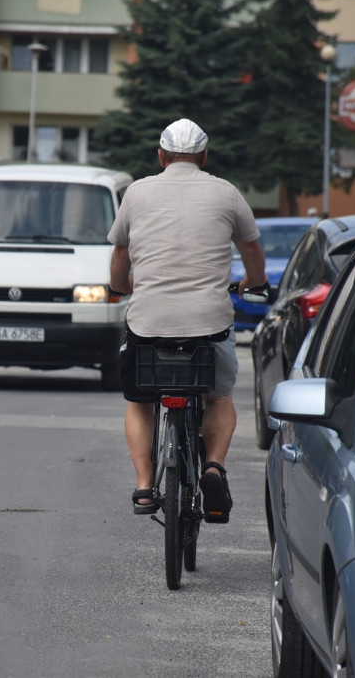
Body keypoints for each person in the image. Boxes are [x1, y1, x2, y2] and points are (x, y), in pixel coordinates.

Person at [107, 118, 267, 522]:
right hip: (209, 324)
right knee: (218, 395)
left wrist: (119, 286)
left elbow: (120, 255)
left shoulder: (137, 193)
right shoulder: (226, 194)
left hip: (148, 323)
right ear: (204, 156)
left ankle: (145, 486)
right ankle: (213, 465)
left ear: (160, 157)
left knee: (139, 401)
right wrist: (256, 282)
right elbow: (250, 246)